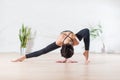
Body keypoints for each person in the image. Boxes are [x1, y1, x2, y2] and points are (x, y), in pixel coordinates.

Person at [12, 28, 90, 64]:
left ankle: (86, 53)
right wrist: (66, 59)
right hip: (63, 37)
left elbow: (86, 30)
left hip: (70, 37)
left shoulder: (75, 41)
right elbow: (42, 51)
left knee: (86, 31)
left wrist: (87, 50)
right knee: (43, 51)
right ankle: (22, 58)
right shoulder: (59, 42)